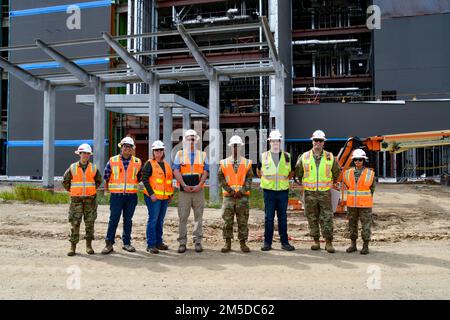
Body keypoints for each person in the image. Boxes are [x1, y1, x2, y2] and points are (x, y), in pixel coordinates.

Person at [295, 130, 341, 253]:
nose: (318, 143)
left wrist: (330, 183)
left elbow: (336, 172)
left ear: (323, 143)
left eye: (320, 141)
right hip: (310, 193)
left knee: (327, 217)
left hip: (325, 193)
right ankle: (316, 241)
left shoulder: (330, 157)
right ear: (312, 141)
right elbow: (299, 173)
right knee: (312, 217)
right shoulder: (304, 157)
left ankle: (328, 242)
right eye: (316, 140)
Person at [102, 137, 142, 254]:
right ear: (121, 147)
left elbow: (139, 177)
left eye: (129, 147)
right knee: (113, 219)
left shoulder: (137, 162)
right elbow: (106, 176)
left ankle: (127, 243)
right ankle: (109, 244)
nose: (127, 149)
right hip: (116, 196)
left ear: (132, 149)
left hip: (131, 196)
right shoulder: (113, 160)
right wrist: (106, 190)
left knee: (128, 220)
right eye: (125, 146)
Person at [257, 130, 295, 252]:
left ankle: (285, 243)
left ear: (280, 142)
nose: (275, 143)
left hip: (283, 191)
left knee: (282, 218)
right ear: (270, 142)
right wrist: (268, 181)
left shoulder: (287, 156)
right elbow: (258, 171)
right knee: (269, 218)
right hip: (269, 191)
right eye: (272, 141)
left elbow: (292, 172)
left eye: (277, 141)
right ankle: (267, 243)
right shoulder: (264, 156)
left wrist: (284, 180)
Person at [62, 143, 102, 256]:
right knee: (75, 223)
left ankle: (89, 246)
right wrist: (73, 191)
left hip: (90, 200)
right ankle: (72, 247)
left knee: (90, 223)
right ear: (79, 154)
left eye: (87, 153)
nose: (85, 155)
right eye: (83, 153)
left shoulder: (93, 168)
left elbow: (98, 181)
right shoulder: (73, 167)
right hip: (76, 200)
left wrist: (91, 190)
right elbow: (65, 181)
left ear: (89, 155)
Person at [173, 129, 209, 253]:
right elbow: (176, 171)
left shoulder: (202, 154)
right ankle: (182, 242)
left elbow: (206, 171)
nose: (191, 141)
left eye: (193, 139)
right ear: (185, 141)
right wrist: (183, 184)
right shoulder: (180, 154)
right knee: (183, 217)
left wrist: (200, 184)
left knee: (198, 217)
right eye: (188, 139)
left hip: (198, 190)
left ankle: (197, 241)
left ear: (196, 140)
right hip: (184, 190)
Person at [218, 135, 253, 253]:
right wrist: (230, 191)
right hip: (228, 197)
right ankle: (227, 243)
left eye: (238, 146)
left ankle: (243, 243)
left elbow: (249, 179)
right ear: (230, 147)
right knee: (227, 221)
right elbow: (221, 179)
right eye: (234, 146)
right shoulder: (224, 163)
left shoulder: (247, 163)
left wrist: (241, 191)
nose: (236, 148)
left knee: (242, 221)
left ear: (241, 147)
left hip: (242, 198)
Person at [142, 140, 174, 254]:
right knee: (153, 220)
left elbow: (169, 182)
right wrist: (152, 194)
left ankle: (159, 242)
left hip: (164, 198)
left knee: (160, 220)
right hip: (153, 198)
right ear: (153, 152)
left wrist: (170, 195)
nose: (158, 152)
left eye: (160, 150)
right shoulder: (149, 163)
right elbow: (144, 179)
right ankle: (151, 245)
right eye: (156, 150)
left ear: (163, 151)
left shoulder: (167, 166)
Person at [342, 149, 375, 255]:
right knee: (352, 225)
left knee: (366, 225)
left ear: (364, 160)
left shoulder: (370, 174)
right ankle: (353, 245)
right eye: (356, 160)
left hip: (365, 205)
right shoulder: (347, 173)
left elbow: (372, 189)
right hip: (352, 205)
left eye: (360, 160)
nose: (358, 162)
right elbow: (348, 187)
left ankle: (365, 246)